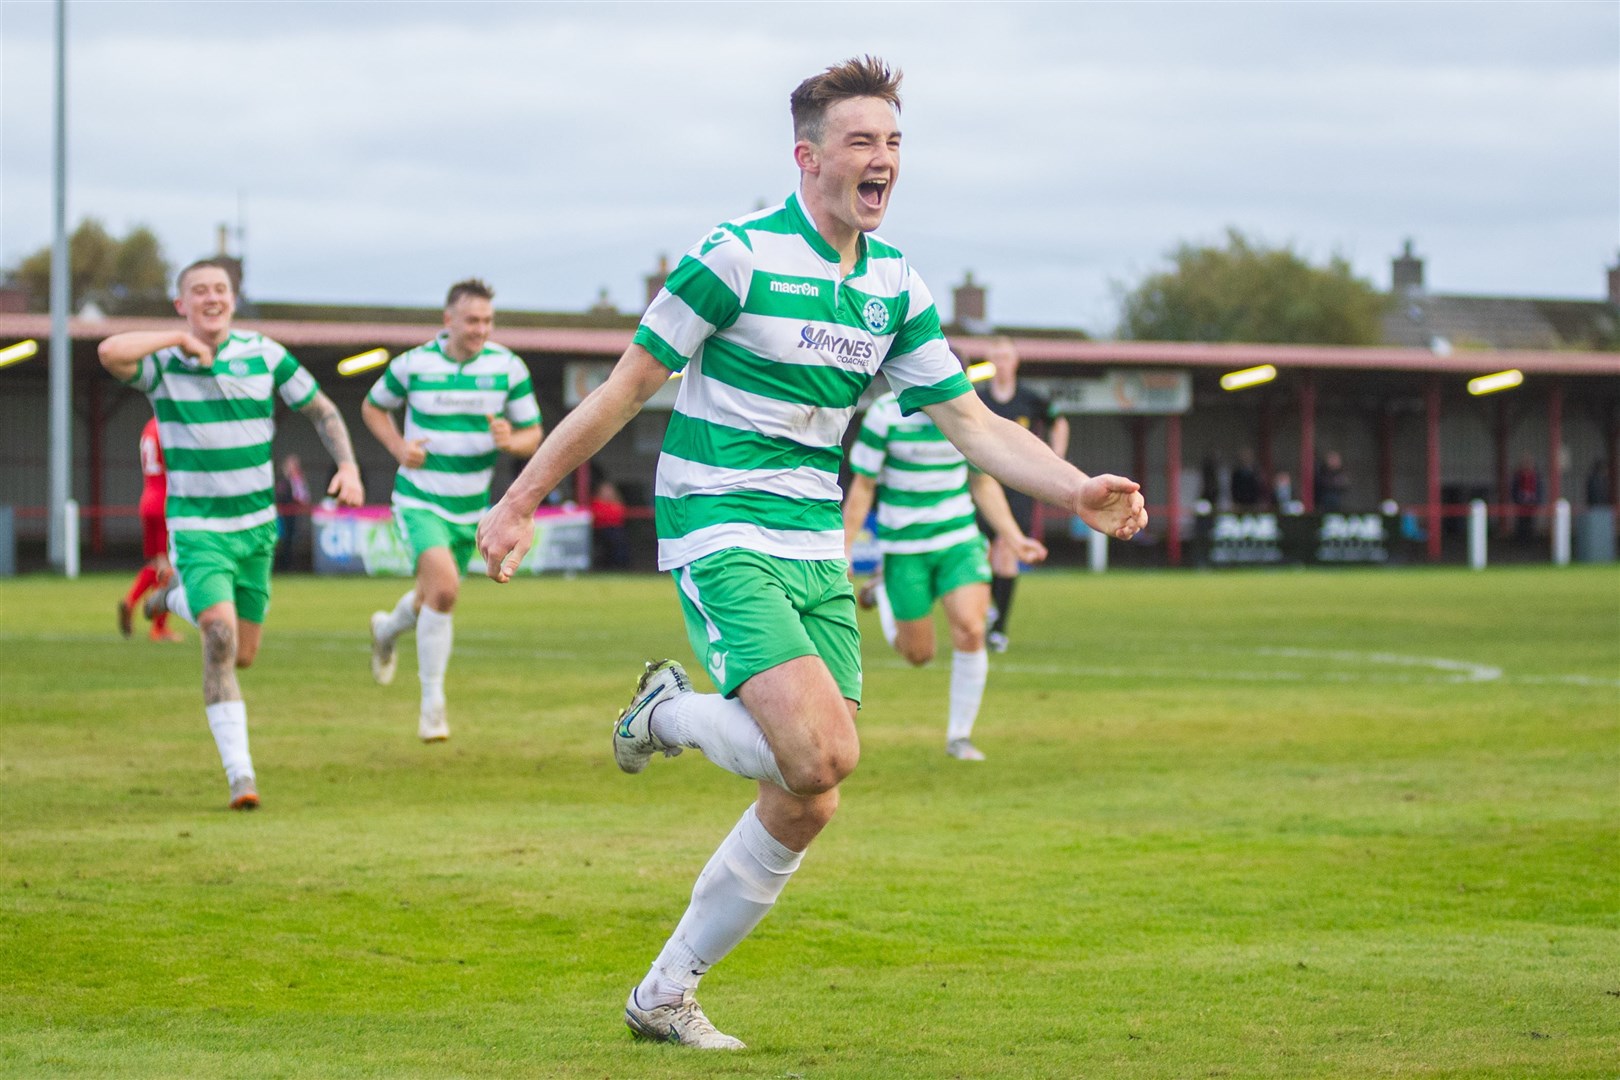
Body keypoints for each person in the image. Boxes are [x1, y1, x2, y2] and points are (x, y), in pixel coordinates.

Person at [476, 55, 1147, 1050]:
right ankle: (665, 714)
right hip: (718, 521)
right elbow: (624, 390)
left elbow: (969, 422)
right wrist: (519, 499)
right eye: (862, 143)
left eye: (894, 144)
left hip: (810, 539)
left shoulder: (893, 284)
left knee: (810, 796)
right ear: (808, 158)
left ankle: (665, 993)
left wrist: (1074, 486)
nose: (883, 161)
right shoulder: (736, 257)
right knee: (821, 751)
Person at [98, 259, 365, 810]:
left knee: (242, 653)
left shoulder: (265, 354)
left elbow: (321, 409)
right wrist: (178, 340)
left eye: (220, 289)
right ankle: (241, 776)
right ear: (183, 304)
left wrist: (349, 466)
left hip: (256, 530)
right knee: (217, 638)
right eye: (198, 292)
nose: (211, 298)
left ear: (233, 298)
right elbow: (108, 352)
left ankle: (170, 596)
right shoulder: (164, 362)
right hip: (198, 528)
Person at [363, 279, 543, 742]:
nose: (480, 329)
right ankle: (432, 709)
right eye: (472, 320)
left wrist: (511, 441)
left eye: (487, 320)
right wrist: (399, 447)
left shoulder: (507, 368)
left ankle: (386, 631)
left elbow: (533, 434)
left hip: (473, 509)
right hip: (420, 499)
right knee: (444, 590)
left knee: (431, 598)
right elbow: (372, 407)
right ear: (449, 320)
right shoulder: (414, 365)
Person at [842, 390, 1047, 761]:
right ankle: (886, 592)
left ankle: (959, 737)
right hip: (904, 548)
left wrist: (1014, 538)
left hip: (959, 541)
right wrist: (845, 545)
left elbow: (983, 483)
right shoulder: (884, 415)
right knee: (918, 654)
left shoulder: (965, 414)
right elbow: (864, 486)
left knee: (971, 628)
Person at [975, 336, 1069, 652]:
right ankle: (990, 609)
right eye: (996, 357)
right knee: (984, 552)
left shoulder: (1030, 399)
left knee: (1007, 547)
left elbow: (1059, 422)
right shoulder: (979, 398)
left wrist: (1054, 460)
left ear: (1015, 362)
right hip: (985, 481)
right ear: (990, 362)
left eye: (1006, 356)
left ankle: (1000, 627)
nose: (1002, 362)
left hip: (1019, 485)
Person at [117, 415, 182, 643]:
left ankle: (130, 600)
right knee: (170, 566)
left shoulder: (149, 426)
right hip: (166, 502)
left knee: (157, 563)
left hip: (148, 498)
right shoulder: (169, 426)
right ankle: (159, 627)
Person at [273, 454, 312, 571]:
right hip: (283, 515)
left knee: (292, 539)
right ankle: (282, 566)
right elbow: (280, 496)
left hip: (294, 514)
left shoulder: (299, 479)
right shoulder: (281, 480)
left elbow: (304, 495)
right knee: (282, 540)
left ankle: (288, 565)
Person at [590, 476, 631, 570]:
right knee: (611, 537)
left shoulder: (617, 502)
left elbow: (619, 516)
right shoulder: (595, 502)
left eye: (609, 490)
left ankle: (621, 564)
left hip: (615, 529)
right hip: (600, 530)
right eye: (605, 490)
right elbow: (598, 517)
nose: (607, 492)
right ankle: (608, 564)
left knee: (619, 538)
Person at [1511, 456, 1542, 541]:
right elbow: (1514, 489)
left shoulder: (1535, 476)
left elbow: (1539, 489)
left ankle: (1530, 539)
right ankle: (1521, 540)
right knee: (1521, 521)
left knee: (1530, 521)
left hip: (1532, 502)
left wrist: (1537, 500)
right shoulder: (1518, 476)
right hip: (1520, 501)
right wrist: (1516, 499)